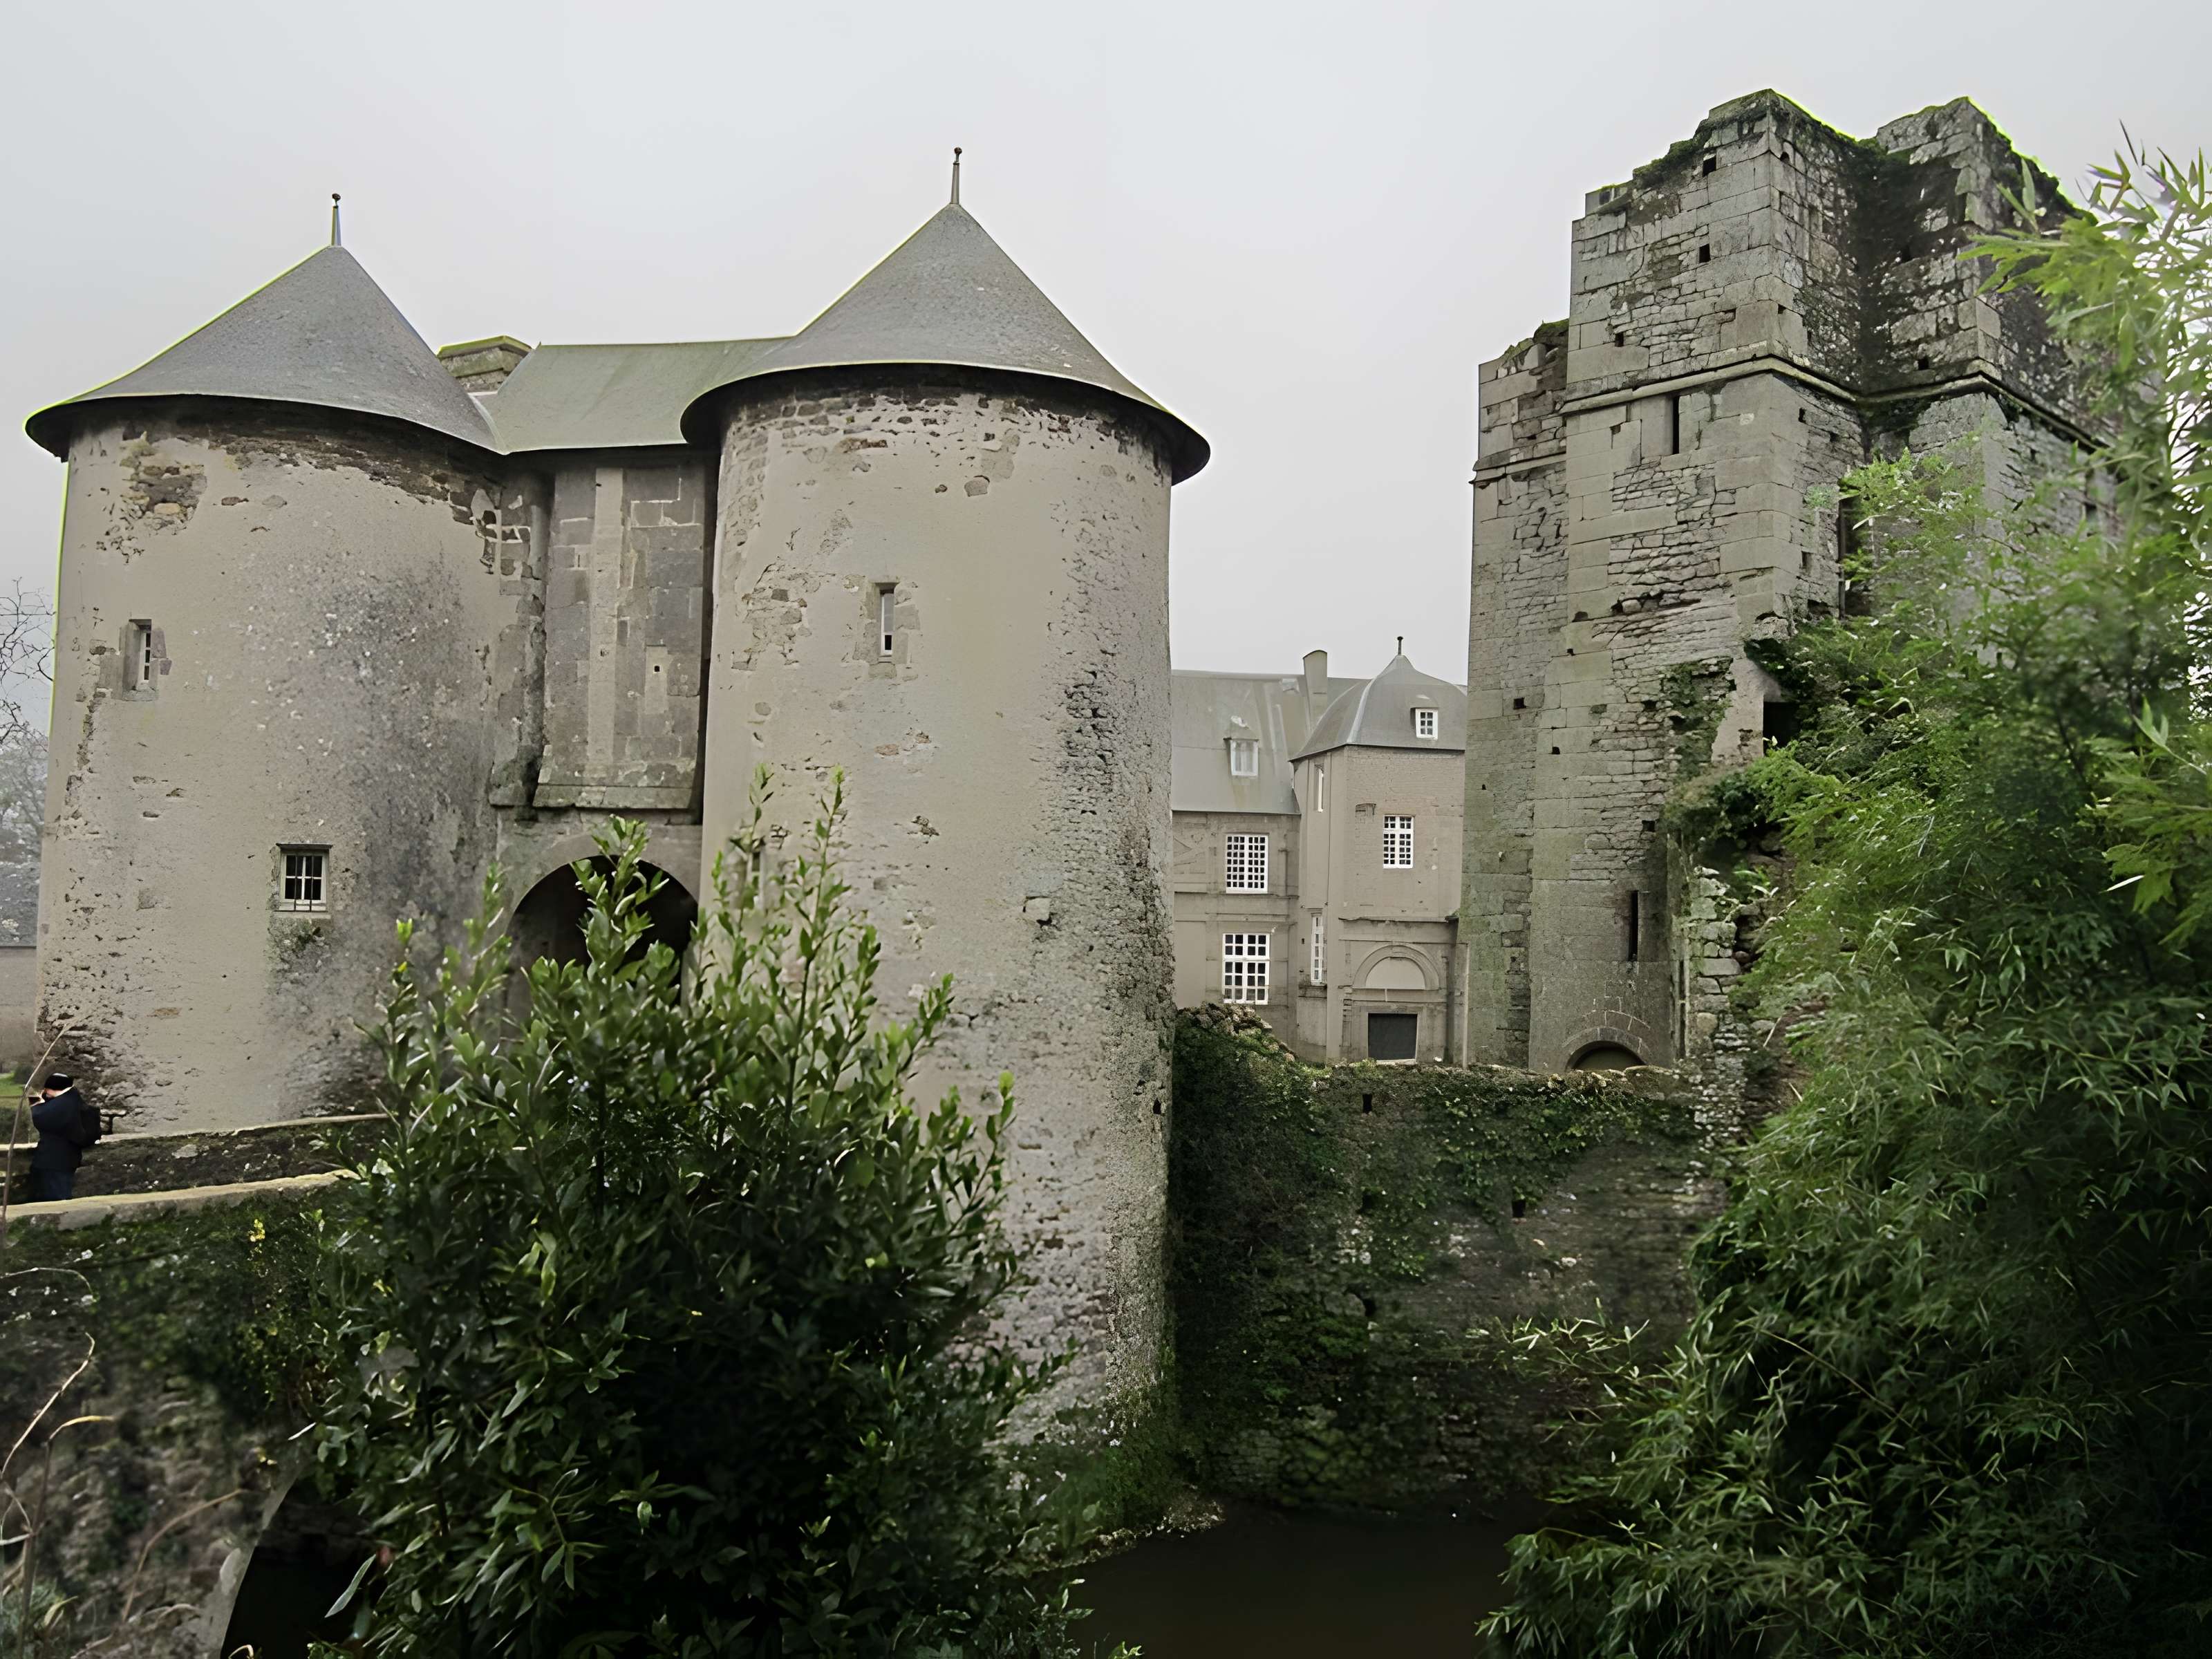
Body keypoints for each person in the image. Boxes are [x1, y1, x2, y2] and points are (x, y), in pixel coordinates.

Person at [28, 1072, 100, 1203]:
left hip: (53, 1162)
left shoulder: (61, 1105)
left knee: (53, 1201)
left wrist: (35, 1104)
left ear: (50, 1088)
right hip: (67, 1160)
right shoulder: (73, 1098)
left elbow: (38, 1116)